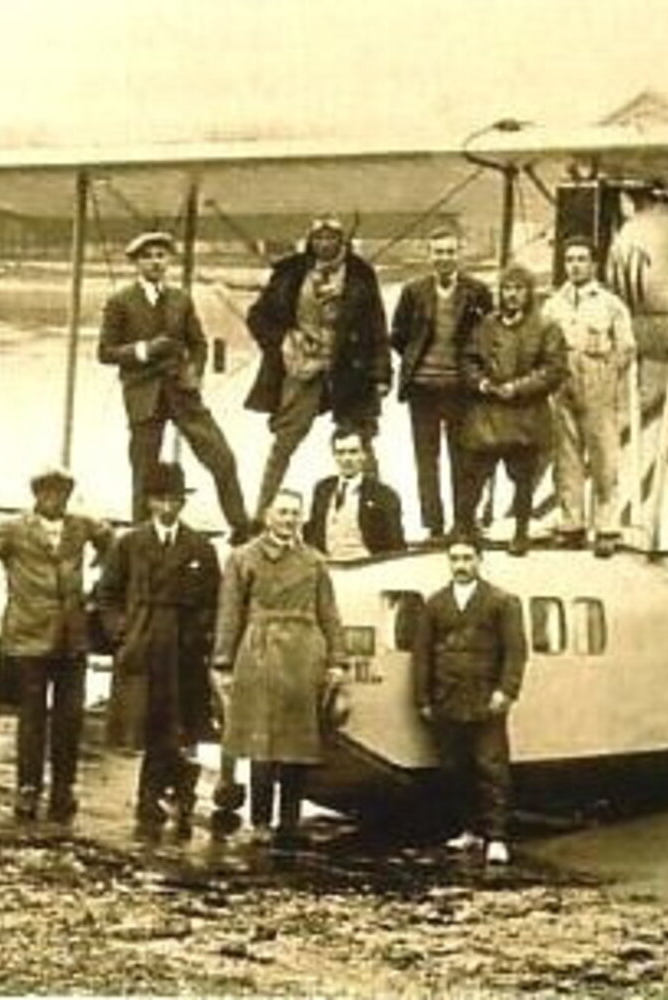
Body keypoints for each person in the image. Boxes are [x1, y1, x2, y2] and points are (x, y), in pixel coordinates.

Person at [0, 466, 113, 822]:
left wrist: (100, 588)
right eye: (48, 492)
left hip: (72, 640)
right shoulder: (13, 528)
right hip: (28, 638)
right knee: (32, 716)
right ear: (36, 495)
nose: (55, 499)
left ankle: (64, 787)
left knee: (70, 717)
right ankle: (28, 787)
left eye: (62, 493)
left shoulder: (81, 525)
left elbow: (113, 545)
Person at [212, 488, 345, 848]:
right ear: (269, 516)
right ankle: (260, 821)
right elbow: (229, 613)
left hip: (304, 656)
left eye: (294, 513)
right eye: (282, 512)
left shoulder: (314, 561)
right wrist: (223, 661)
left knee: (298, 743)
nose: (288, 520)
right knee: (263, 742)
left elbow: (329, 614)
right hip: (260, 652)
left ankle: (289, 821)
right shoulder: (243, 557)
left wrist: (337, 660)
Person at [97, 230, 250, 543]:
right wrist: (145, 350)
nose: (155, 262)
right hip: (143, 396)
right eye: (148, 257)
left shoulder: (181, 299)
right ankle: (140, 540)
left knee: (222, 458)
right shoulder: (120, 301)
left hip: (182, 393)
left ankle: (241, 528)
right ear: (136, 263)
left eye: (161, 256)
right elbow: (105, 352)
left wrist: (195, 372)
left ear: (168, 261)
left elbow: (199, 344)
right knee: (144, 471)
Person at [96, 462, 221, 839]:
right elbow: (107, 594)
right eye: (161, 499)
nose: (168, 507)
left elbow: (213, 599)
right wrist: (122, 631)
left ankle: (174, 793)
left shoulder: (200, 547)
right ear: (150, 502)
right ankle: (157, 793)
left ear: (183, 503)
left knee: (181, 724)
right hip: (143, 642)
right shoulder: (130, 543)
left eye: (175, 500)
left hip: (184, 649)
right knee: (149, 722)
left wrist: (199, 633)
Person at [245, 216, 392, 518]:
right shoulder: (290, 272)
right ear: (310, 241)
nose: (325, 244)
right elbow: (257, 317)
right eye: (318, 238)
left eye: (331, 238)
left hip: (349, 368)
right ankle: (261, 514)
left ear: (342, 241)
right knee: (285, 441)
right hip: (303, 367)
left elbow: (377, 326)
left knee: (359, 442)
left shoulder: (361, 274)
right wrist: (285, 339)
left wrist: (381, 373)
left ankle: (376, 516)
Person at [413, 534, 526, 864]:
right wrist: (423, 698)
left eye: (467, 558)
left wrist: (506, 691)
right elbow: (422, 654)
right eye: (455, 559)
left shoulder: (502, 601)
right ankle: (468, 830)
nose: (461, 565)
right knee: (454, 768)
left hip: (486, 698)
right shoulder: (435, 603)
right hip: (447, 698)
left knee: (491, 768)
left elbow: (516, 651)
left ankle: (496, 837)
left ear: (479, 560)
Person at [390, 227, 493, 538]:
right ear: (429, 255)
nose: (444, 258)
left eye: (450, 251)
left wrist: (474, 373)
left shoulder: (477, 291)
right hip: (423, 389)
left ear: (460, 254)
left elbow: (490, 336)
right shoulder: (413, 291)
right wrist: (420, 362)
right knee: (426, 460)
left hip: (461, 388)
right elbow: (399, 335)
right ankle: (433, 526)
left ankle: (462, 522)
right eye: (438, 252)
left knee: (464, 458)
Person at [458, 264, 568, 555]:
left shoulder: (546, 327)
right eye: (507, 288)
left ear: (529, 293)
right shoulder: (486, 325)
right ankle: (466, 532)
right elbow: (468, 360)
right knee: (474, 476)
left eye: (519, 288)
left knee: (523, 480)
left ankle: (521, 533)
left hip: (526, 418)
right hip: (487, 417)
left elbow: (554, 369)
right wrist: (481, 383)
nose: (512, 295)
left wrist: (518, 388)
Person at [542, 234, 636, 557]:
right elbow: (543, 344)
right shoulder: (553, 305)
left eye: (582, 259)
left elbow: (626, 349)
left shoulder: (611, 304)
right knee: (566, 458)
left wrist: (605, 377)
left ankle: (607, 528)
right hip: (562, 383)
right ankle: (572, 525)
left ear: (594, 264)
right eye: (570, 260)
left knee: (604, 458)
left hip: (598, 382)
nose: (575, 266)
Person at [303, 426, 405, 560]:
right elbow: (312, 534)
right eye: (340, 452)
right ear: (334, 455)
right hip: (329, 567)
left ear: (364, 454)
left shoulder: (383, 495)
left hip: (368, 567)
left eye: (353, 452)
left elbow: (396, 547)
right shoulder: (322, 489)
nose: (347, 459)